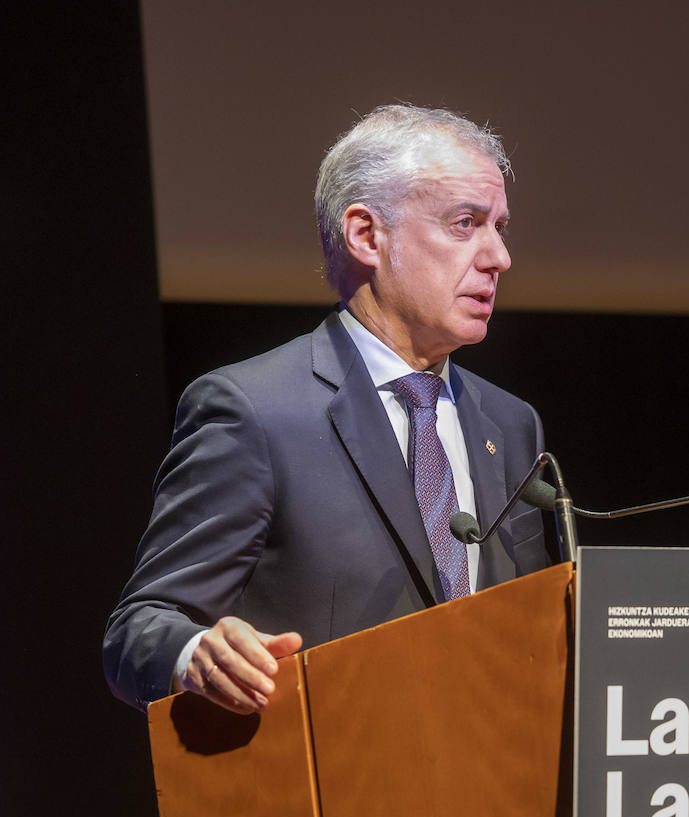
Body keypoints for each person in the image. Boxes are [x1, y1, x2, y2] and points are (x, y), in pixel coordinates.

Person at [104, 104, 549, 714]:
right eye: (465, 223)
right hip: (335, 788)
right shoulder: (256, 413)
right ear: (366, 235)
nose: (498, 256)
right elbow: (138, 631)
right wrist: (197, 653)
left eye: (500, 227)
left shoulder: (512, 424)